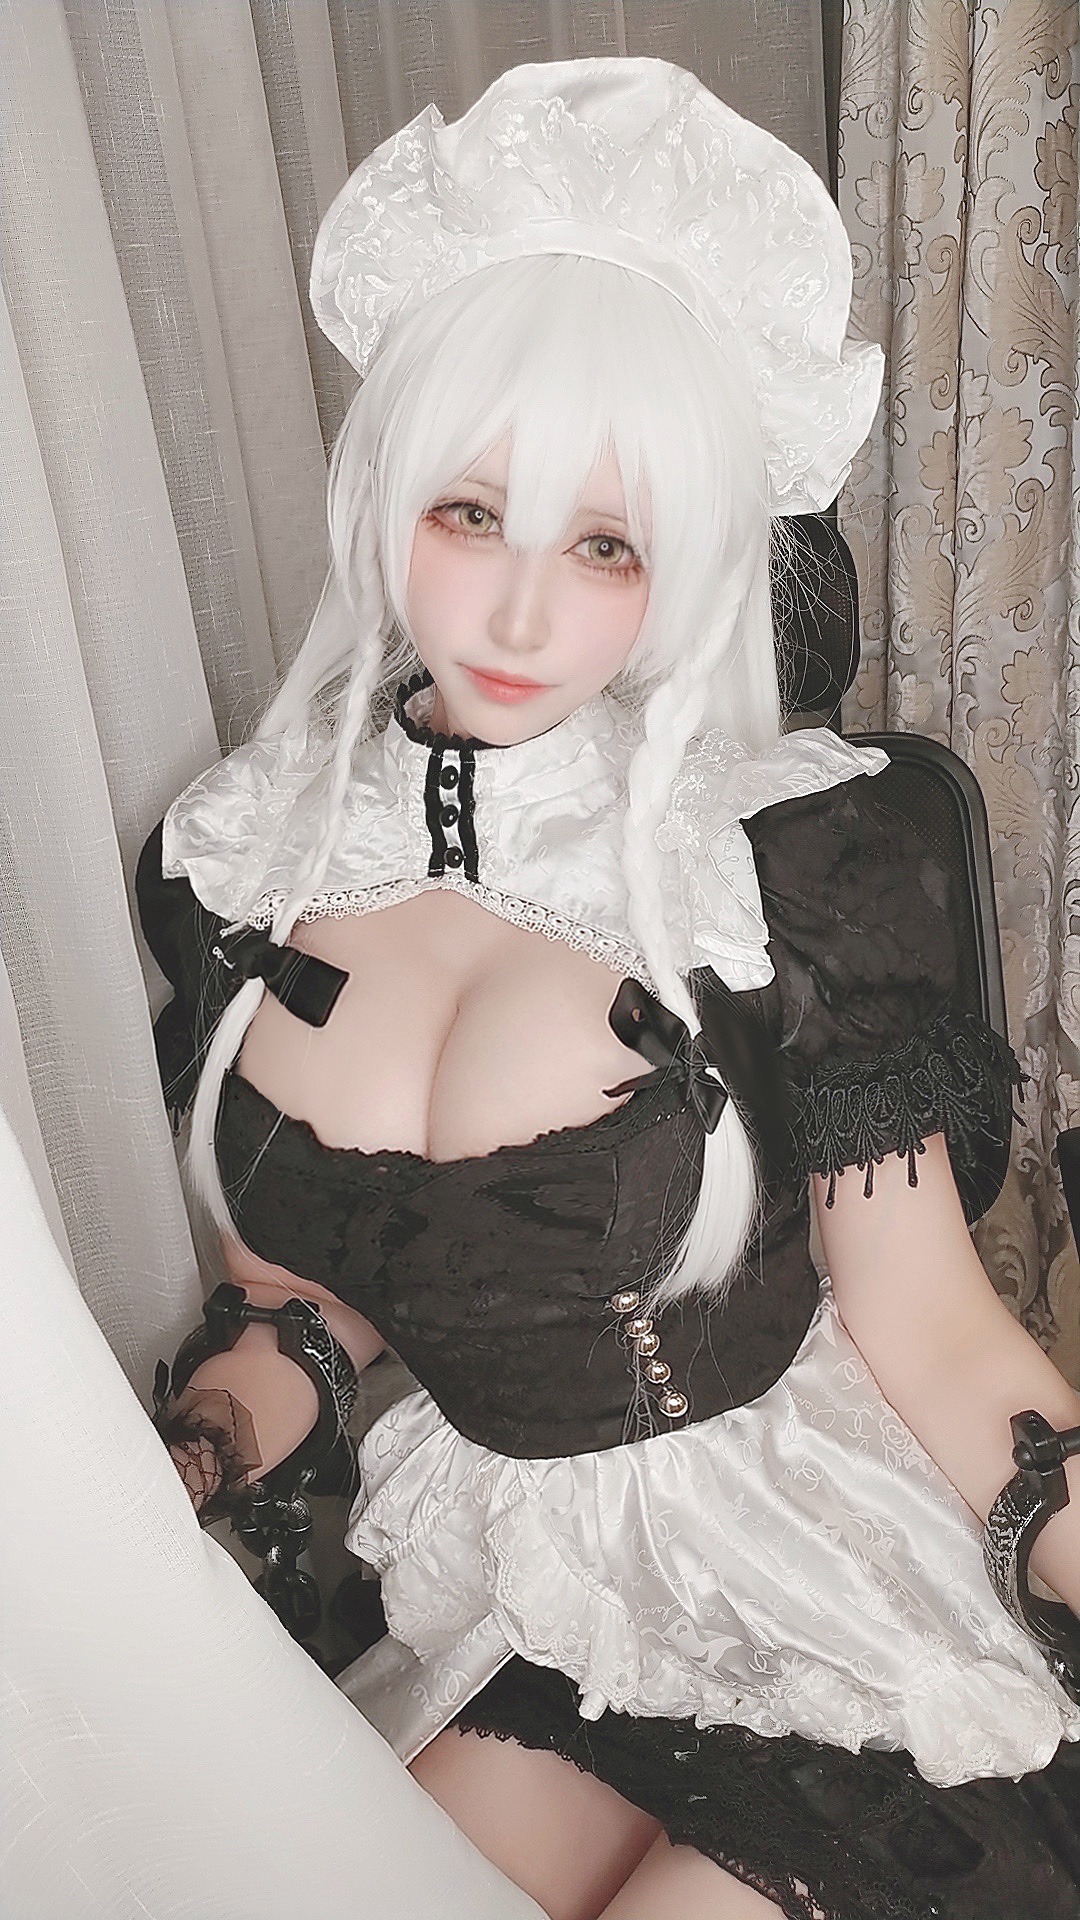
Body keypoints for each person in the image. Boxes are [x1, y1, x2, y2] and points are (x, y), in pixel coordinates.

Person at [136, 58, 1080, 1920]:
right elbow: (302, 1306)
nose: (515, 615)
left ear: (692, 560)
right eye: (469, 514)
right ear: (385, 491)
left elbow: (935, 1329)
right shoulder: (244, 858)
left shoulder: (791, 866)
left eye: (604, 545)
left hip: (824, 1586)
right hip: (529, 1596)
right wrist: (197, 1448)